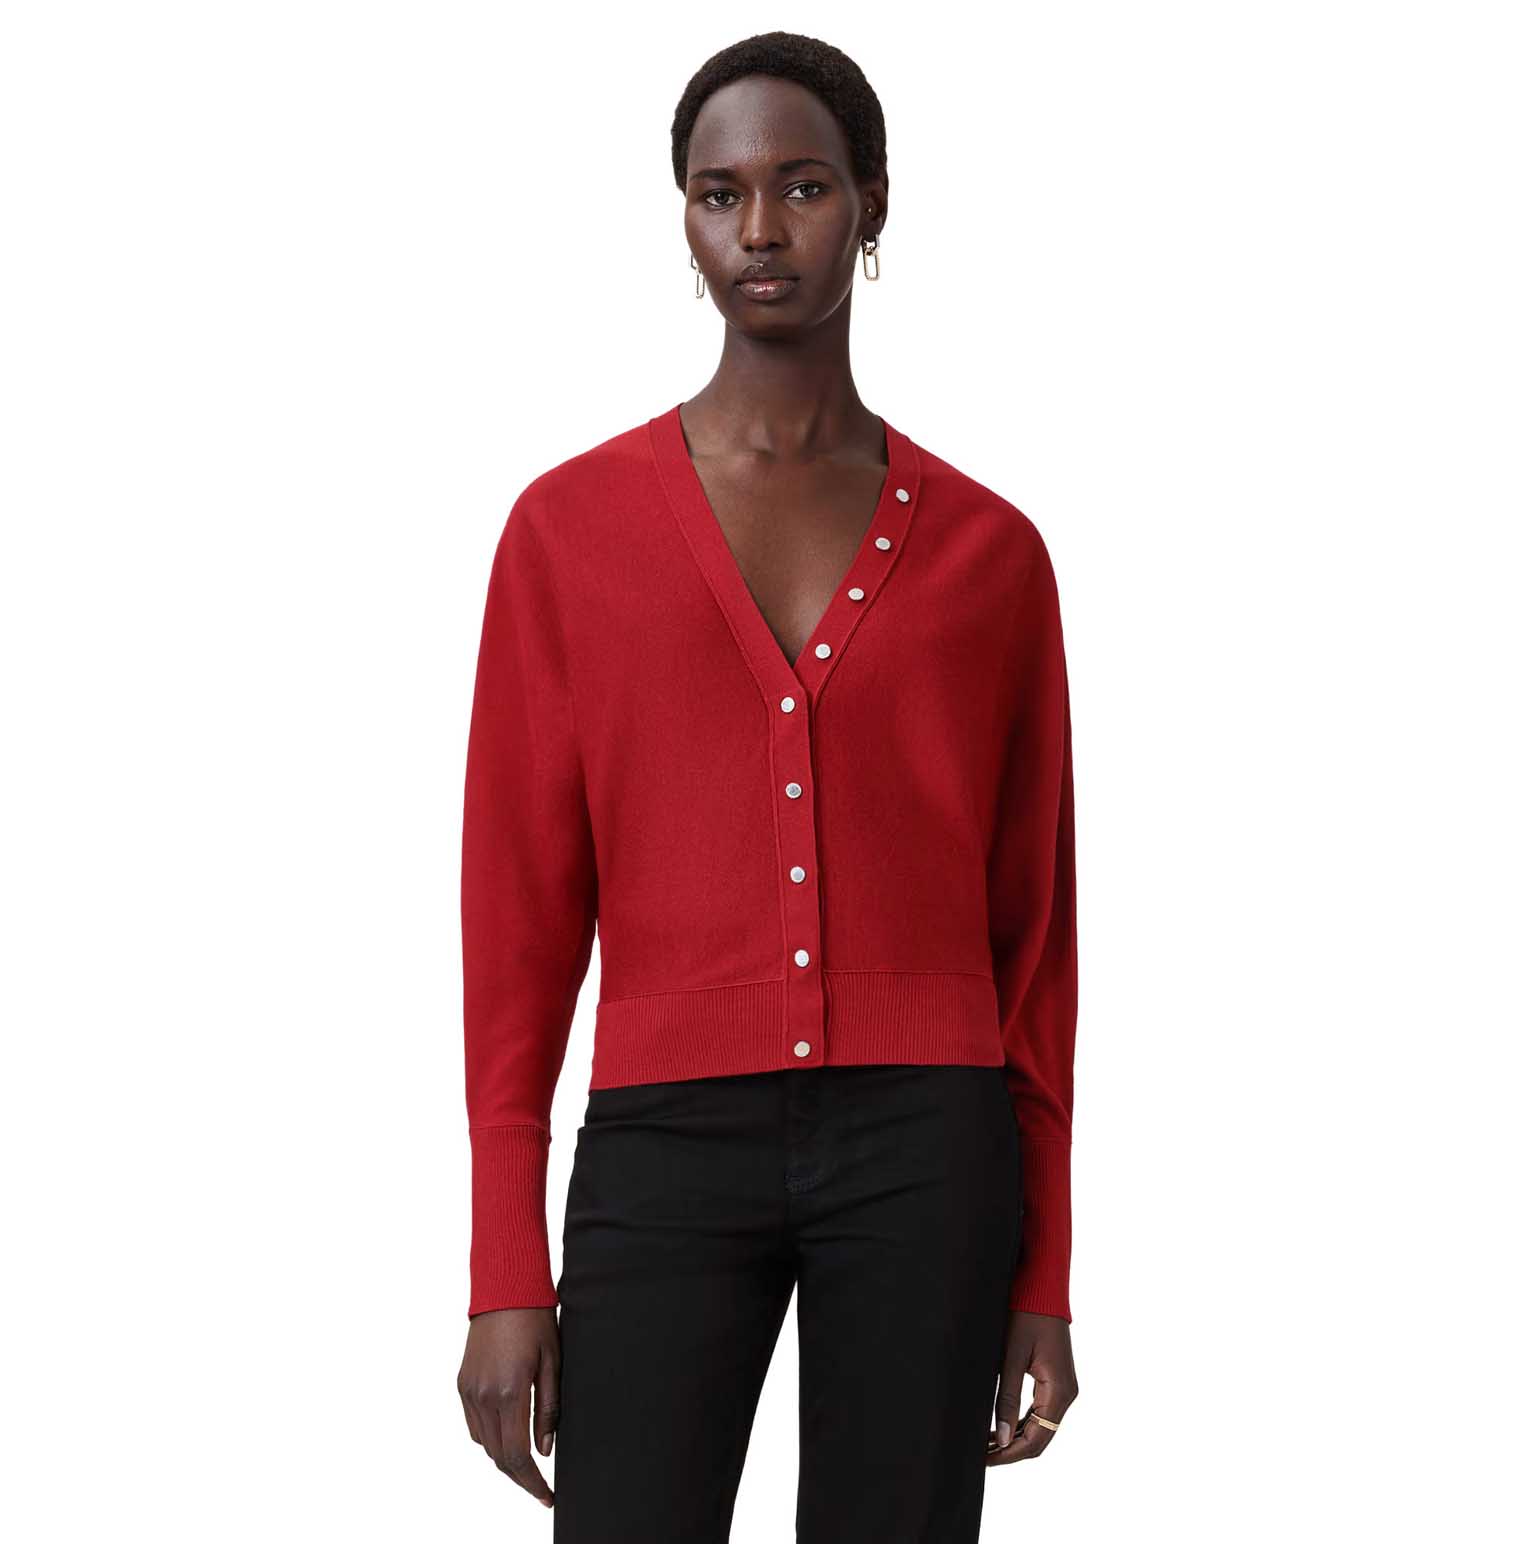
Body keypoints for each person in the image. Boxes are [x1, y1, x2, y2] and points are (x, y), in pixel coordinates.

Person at [455, 29, 1081, 1543]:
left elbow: (1037, 945)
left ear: (872, 205)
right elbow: (516, 927)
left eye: (802, 187)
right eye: (719, 192)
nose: (758, 230)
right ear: (682, 215)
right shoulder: (565, 532)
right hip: (663, 1141)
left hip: (930, 1149)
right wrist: (504, 1268)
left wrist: (1046, 1273)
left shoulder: (994, 556)